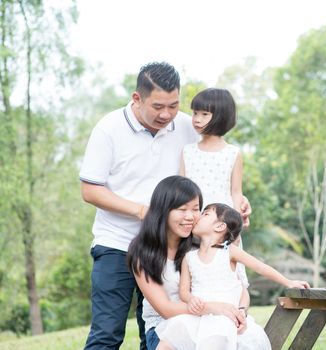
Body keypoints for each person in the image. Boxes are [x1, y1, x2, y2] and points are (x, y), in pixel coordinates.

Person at [79, 62, 252, 349]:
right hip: (117, 244)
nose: (167, 114)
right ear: (137, 98)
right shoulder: (108, 129)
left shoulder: (186, 125)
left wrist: (238, 200)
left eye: (174, 105)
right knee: (107, 333)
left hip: (171, 248)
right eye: (158, 106)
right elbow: (90, 190)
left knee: (160, 332)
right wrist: (142, 211)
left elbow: (214, 162)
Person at [127, 176, 270, 350]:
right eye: (182, 209)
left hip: (211, 324)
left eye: (196, 209)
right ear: (163, 210)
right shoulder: (143, 253)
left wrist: (239, 311)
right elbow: (165, 309)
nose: (190, 216)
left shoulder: (203, 247)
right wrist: (214, 308)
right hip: (166, 327)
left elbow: (239, 288)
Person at [155, 202, 310, 350]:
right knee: (167, 342)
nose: (198, 217)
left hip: (225, 319)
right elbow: (184, 291)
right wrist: (191, 299)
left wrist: (288, 282)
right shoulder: (189, 257)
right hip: (198, 317)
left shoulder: (229, 252)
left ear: (220, 226)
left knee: (213, 342)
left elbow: (260, 267)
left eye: (206, 214)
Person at [179, 87, 242, 212]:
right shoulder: (187, 151)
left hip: (222, 221)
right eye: (195, 113)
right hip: (192, 218)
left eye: (204, 114)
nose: (197, 119)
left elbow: (236, 192)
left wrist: (236, 225)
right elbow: (181, 189)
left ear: (221, 116)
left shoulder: (233, 153)